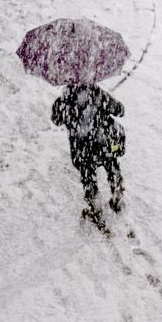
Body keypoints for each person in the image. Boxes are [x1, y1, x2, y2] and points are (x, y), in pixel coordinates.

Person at [51, 83, 126, 227]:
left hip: (82, 150)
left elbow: (56, 120)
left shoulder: (64, 101)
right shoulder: (97, 93)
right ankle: (117, 192)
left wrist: (66, 108)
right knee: (111, 164)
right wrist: (109, 104)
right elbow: (119, 110)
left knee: (88, 178)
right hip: (103, 143)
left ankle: (95, 209)